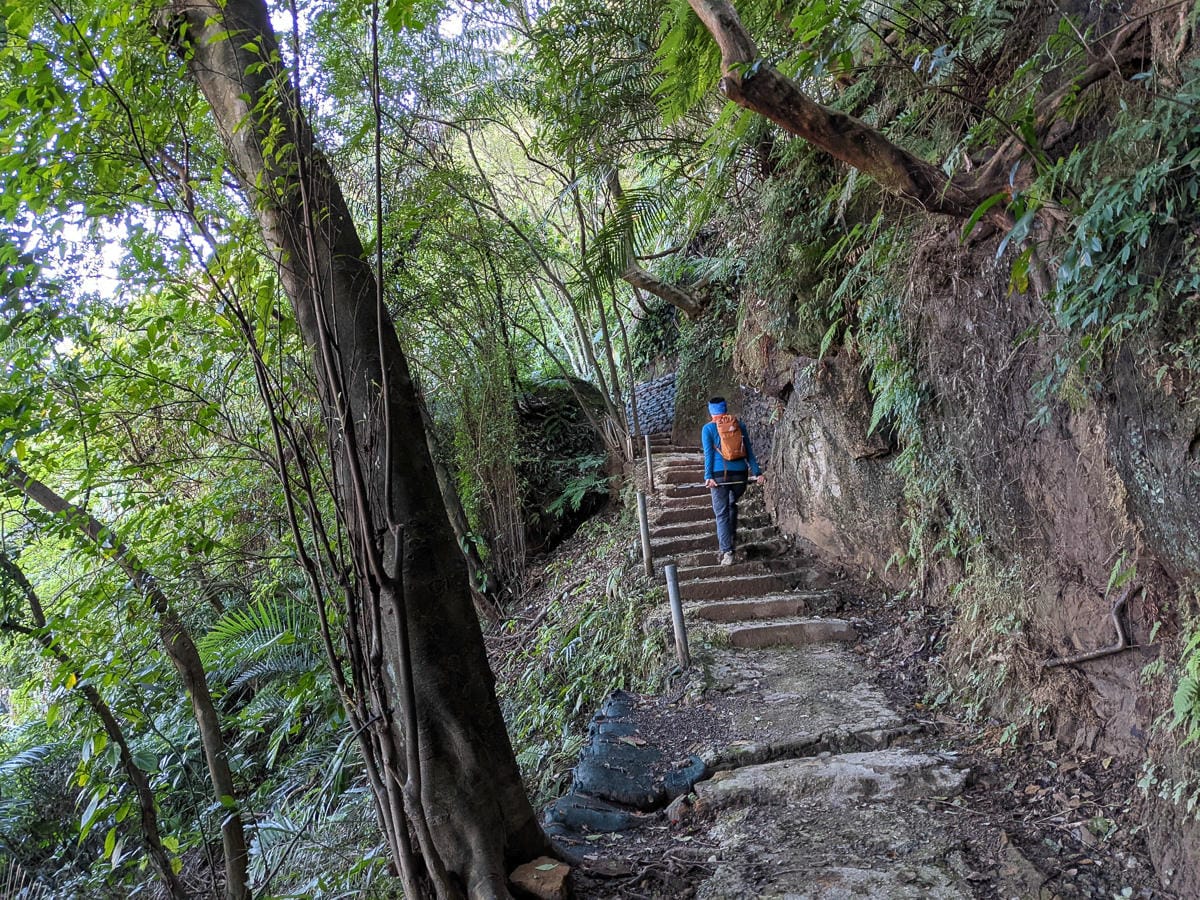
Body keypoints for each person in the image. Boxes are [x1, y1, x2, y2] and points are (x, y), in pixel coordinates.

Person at [702, 397, 764, 566]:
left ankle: (727, 552)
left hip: (720, 476)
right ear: (726, 408)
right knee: (731, 503)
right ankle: (732, 537)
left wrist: (708, 477)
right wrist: (757, 472)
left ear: (711, 412)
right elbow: (749, 451)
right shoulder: (739, 425)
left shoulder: (708, 429)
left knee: (721, 513)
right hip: (741, 475)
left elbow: (708, 455)